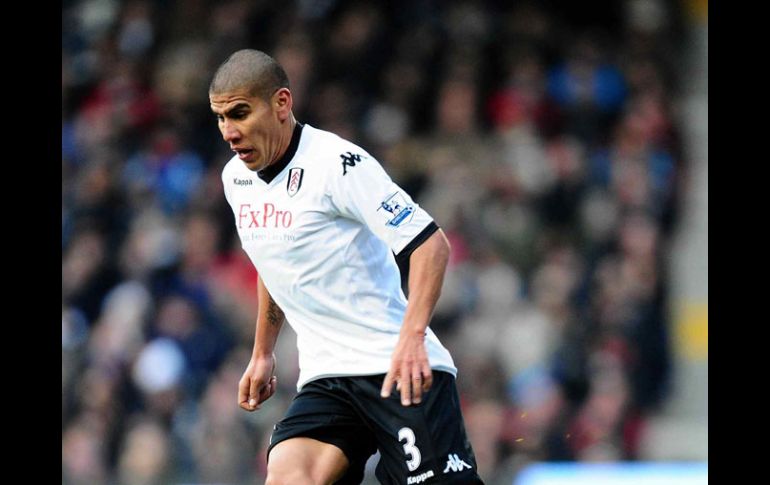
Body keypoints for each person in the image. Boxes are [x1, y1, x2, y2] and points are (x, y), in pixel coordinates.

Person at [209, 49, 483, 485]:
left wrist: (411, 339)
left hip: (396, 367)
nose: (229, 131)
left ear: (281, 103)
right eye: (220, 118)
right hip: (328, 377)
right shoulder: (236, 180)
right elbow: (272, 259)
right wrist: (262, 352)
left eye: (239, 113)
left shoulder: (337, 165)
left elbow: (431, 246)